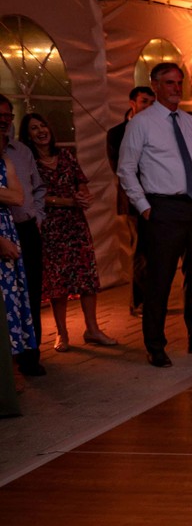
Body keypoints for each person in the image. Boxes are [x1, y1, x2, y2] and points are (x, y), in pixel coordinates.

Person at [117, 62, 192, 367]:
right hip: (162, 207)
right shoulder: (141, 124)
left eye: (179, 83)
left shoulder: (191, 122)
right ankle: (155, 344)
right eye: (169, 83)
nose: (176, 89)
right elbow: (126, 169)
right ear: (154, 85)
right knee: (160, 278)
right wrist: (145, 207)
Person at [21, 113, 116, 351]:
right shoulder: (28, 161)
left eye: (43, 125)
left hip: (76, 225)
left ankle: (92, 329)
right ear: (28, 135)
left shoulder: (65, 155)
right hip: (50, 227)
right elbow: (32, 197)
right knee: (57, 281)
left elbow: (80, 182)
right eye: (34, 128)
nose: (41, 131)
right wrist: (65, 202)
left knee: (86, 277)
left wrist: (84, 196)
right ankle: (62, 334)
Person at [0, 94, 46, 378]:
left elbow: (36, 188)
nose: (4, 121)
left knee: (30, 292)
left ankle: (31, 355)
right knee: (8, 298)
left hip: (26, 228)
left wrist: (37, 216)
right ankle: (10, 363)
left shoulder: (20, 152)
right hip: (4, 230)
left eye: (8, 116)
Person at [106, 86, 155, 318]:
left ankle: (155, 298)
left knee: (157, 249)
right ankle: (140, 301)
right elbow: (121, 170)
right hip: (134, 200)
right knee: (142, 248)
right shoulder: (117, 133)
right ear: (132, 103)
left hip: (159, 196)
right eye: (144, 101)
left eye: (151, 103)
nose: (148, 107)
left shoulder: (158, 128)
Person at [0, 155, 36, 369]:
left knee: (10, 301)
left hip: (7, 229)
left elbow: (18, 197)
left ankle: (11, 368)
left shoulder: (5, 161)